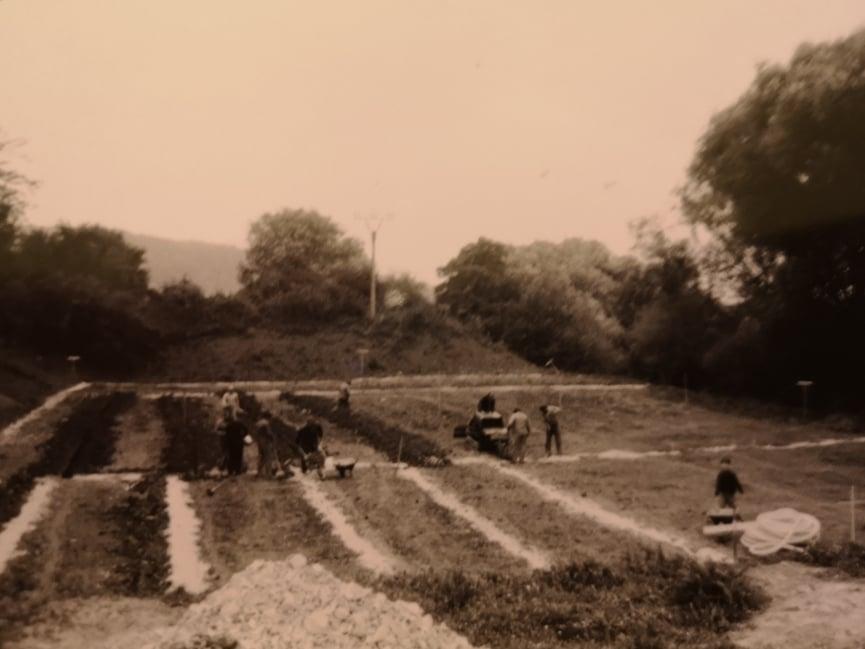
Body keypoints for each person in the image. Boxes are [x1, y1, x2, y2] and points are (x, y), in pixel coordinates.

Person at [254, 410, 277, 478]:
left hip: (259, 441)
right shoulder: (266, 423)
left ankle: (259, 472)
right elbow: (268, 432)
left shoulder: (258, 423)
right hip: (266, 441)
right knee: (268, 457)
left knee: (262, 457)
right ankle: (268, 474)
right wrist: (273, 437)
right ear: (268, 417)